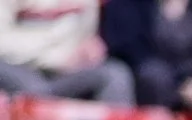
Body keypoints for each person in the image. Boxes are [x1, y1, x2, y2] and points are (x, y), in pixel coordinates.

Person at [101, 0, 192, 115]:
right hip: (157, 89)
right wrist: (181, 86)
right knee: (152, 76)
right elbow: (132, 54)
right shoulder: (125, 6)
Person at [0, 0, 134, 102]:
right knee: (35, 91)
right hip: (18, 66)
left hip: (66, 72)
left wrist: (90, 50)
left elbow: (86, 34)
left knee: (114, 75)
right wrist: (57, 58)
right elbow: (3, 42)